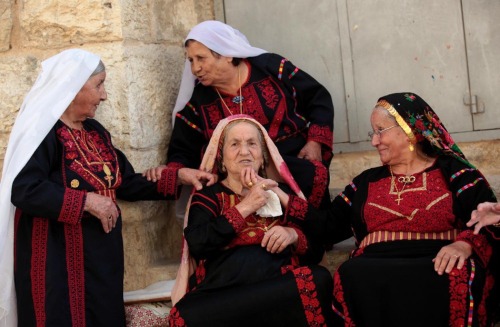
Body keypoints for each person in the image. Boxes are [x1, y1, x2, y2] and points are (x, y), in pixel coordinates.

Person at [0, 49, 215, 326]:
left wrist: (178, 177)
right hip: (57, 264)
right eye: (99, 85)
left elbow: (125, 182)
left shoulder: (95, 132)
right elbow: (25, 189)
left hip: (101, 262)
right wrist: (86, 202)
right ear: (73, 88)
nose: (104, 95)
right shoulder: (43, 134)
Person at [312, 93, 499, 326]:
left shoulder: (456, 173)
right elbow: (328, 225)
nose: (374, 141)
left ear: (409, 129)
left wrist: (465, 244)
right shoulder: (366, 181)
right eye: (373, 132)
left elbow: (490, 219)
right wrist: (282, 199)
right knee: (350, 273)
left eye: (380, 130)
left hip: (438, 260)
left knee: (460, 273)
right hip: (374, 263)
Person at [144, 20, 334, 213]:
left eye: (201, 58)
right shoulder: (198, 102)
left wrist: (315, 142)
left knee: (311, 177)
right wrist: (173, 172)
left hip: (292, 162)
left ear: (226, 54)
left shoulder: (271, 68)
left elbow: (318, 98)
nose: (195, 69)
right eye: (191, 60)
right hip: (237, 182)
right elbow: (183, 148)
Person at [168, 115, 334, 327]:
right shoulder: (208, 196)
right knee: (184, 314)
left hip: (276, 287)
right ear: (221, 159)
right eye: (235, 144)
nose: (244, 152)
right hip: (226, 293)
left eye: (252, 144)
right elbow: (198, 243)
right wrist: (246, 206)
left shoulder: (280, 194)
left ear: (264, 157)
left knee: (318, 278)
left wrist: (293, 236)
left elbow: (316, 249)